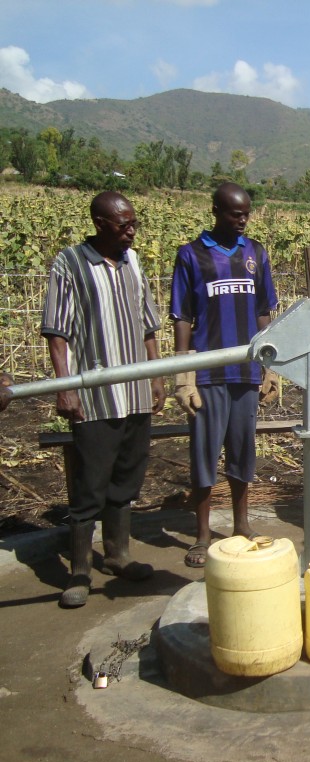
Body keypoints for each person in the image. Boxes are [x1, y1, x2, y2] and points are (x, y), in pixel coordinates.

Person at [41, 191, 165, 608]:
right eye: (123, 224)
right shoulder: (71, 263)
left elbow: (148, 324)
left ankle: (117, 554)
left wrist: (156, 374)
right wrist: (65, 386)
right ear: (99, 222)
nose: (131, 230)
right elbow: (57, 333)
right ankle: (78, 570)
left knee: (127, 476)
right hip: (94, 398)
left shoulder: (132, 262)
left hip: (134, 393)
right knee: (90, 483)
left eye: (133, 222)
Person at [170, 182, 279, 568]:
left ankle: (241, 525)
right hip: (208, 375)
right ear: (215, 211)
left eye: (247, 213)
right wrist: (184, 370)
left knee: (242, 452)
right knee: (203, 454)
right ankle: (201, 535)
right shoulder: (192, 255)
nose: (243, 220)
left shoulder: (255, 253)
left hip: (246, 373)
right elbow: (183, 316)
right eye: (236, 214)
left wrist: (270, 364)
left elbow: (264, 311)